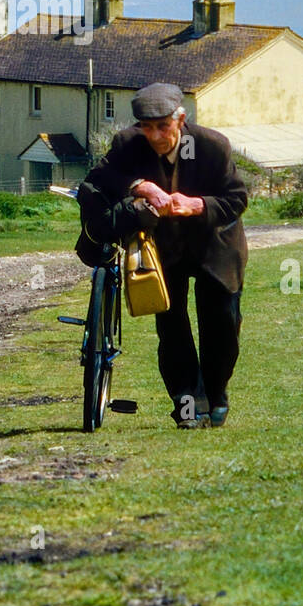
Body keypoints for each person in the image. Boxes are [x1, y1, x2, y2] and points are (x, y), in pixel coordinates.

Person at [76, 82, 248, 429]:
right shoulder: (128, 144)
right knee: (172, 332)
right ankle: (188, 409)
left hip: (215, 246)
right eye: (146, 127)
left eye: (163, 127)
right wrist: (140, 185)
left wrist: (196, 205)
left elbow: (236, 199)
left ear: (180, 119)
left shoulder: (212, 146)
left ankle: (215, 395)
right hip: (162, 249)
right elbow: (100, 177)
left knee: (223, 327)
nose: (154, 135)